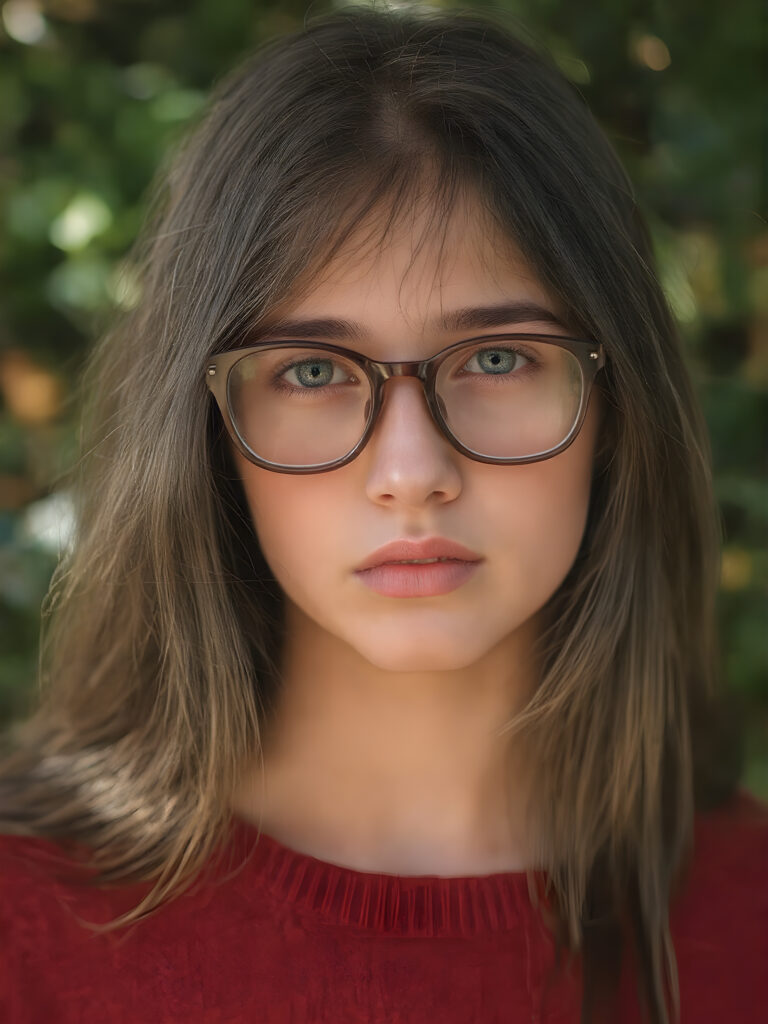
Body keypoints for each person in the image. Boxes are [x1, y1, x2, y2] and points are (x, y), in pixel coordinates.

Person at [0, 5, 765, 1023]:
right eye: (312, 370)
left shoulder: (747, 922)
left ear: (618, 407)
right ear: (207, 430)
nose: (412, 471)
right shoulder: (24, 926)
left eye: (497, 358)